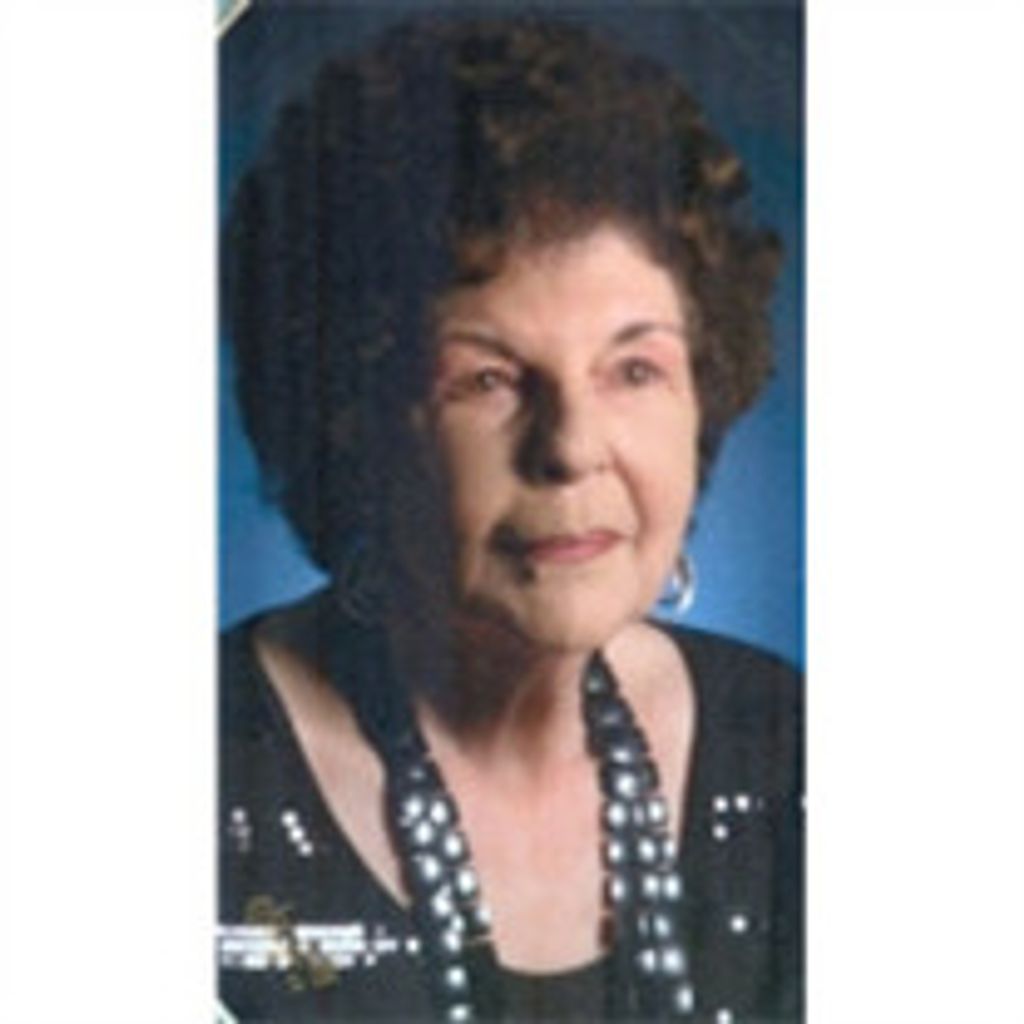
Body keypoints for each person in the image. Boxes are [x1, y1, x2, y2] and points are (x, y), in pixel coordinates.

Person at [218, 14, 802, 1023]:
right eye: (485, 379)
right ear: (352, 420)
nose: (570, 446)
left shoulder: (795, 750)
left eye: (634, 369)